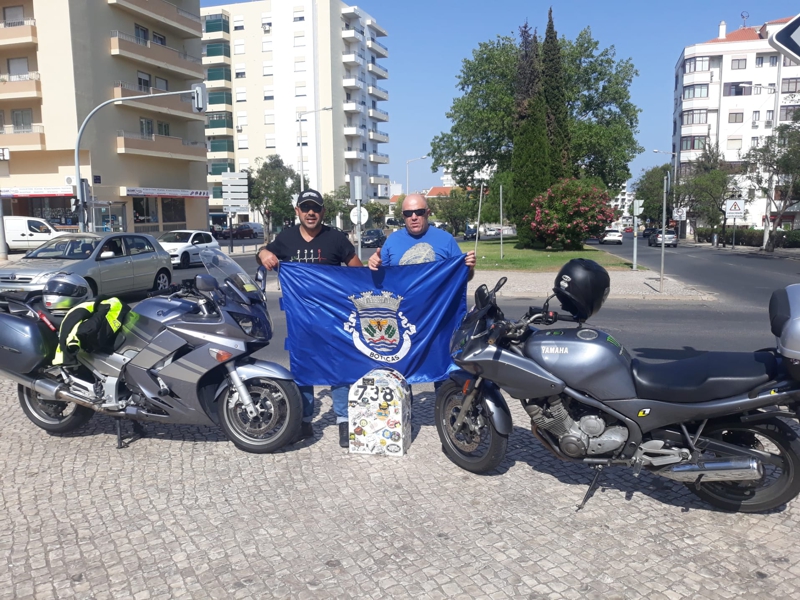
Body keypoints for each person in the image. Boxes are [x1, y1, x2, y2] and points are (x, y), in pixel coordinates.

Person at [256, 188, 363, 447]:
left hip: (334, 317)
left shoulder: (335, 239)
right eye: (306, 208)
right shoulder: (286, 239)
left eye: (315, 208)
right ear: (297, 211)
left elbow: (357, 272)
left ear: (323, 211)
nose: (311, 212)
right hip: (300, 318)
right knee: (303, 369)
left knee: (338, 368)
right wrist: (263, 253)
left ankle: (343, 420)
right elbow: (263, 255)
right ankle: (303, 422)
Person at [368, 193, 476, 391]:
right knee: (400, 373)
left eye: (419, 212)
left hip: (437, 319)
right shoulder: (392, 242)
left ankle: (447, 414)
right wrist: (373, 264)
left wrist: (468, 268)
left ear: (428, 213)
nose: (414, 217)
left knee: (444, 371)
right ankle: (402, 416)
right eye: (408, 213)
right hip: (403, 320)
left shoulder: (445, 240)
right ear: (403, 216)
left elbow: (463, 278)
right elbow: (381, 281)